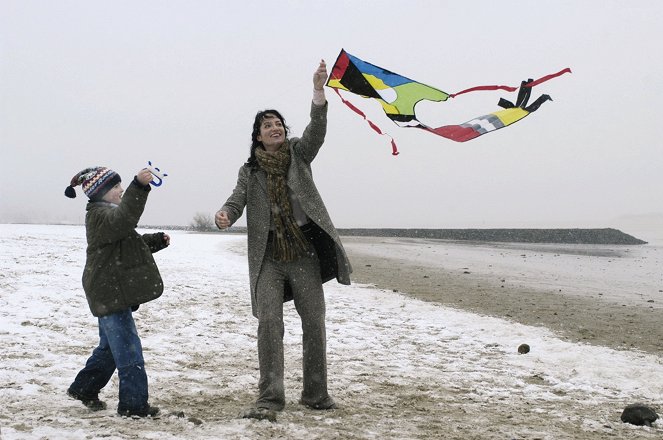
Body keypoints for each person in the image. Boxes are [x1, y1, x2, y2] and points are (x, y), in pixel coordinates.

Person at [215, 60, 352, 418]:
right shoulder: (250, 171)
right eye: (266, 125)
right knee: (270, 324)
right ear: (257, 137)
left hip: (304, 251)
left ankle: (315, 394)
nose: (274, 128)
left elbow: (317, 131)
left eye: (278, 123)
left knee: (313, 320)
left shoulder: (299, 155)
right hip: (268, 257)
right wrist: (226, 214)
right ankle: (270, 398)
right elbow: (236, 199)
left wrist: (319, 91)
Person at [64, 166, 169, 417]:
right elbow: (125, 220)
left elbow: (127, 245)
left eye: (122, 186)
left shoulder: (107, 217)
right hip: (109, 292)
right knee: (129, 350)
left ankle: (84, 388)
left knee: (110, 348)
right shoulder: (101, 216)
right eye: (116, 187)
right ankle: (133, 406)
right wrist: (139, 186)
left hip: (107, 289)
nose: (121, 190)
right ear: (101, 193)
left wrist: (155, 240)